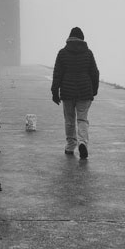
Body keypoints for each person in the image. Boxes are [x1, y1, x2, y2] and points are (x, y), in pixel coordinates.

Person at [51, 27, 100, 159]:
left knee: (69, 119)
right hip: (85, 90)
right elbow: (95, 73)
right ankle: (82, 142)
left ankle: (70, 146)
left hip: (67, 91)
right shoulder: (88, 53)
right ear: (82, 39)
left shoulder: (62, 53)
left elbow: (57, 74)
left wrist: (54, 91)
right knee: (82, 119)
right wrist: (94, 90)